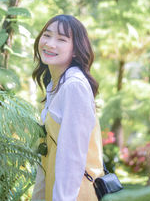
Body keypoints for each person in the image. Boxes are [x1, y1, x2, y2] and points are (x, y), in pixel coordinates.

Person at [31, 14, 104, 201]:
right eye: (46, 35)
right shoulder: (56, 85)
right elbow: (47, 155)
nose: (50, 43)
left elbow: (72, 159)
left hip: (75, 195)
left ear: (76, 50)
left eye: (61, 39)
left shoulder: (74, 86)